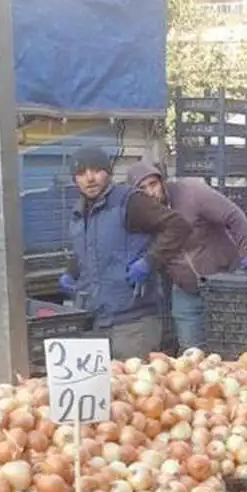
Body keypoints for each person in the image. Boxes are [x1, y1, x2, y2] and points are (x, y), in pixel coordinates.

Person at [59, 147, 194, 360]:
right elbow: (88, 250)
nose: (90, 178)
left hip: (133, 323)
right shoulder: (78, 213)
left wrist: (150, 261)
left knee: (135, 387)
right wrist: (70, 272)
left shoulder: (130, 202)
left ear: (109, 173)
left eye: (96, 170)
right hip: (96, 321)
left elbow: (177, 226)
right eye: (81, 173)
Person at [127, 162, 247, 350]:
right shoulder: (142, 214)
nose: (150, 192)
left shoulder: (192, 192)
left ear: (162, 182)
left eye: (153, 184)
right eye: (142, 188)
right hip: (185, 288)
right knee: (191, 352)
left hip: (224, 282)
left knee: (231, 345)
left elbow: (234, 216)